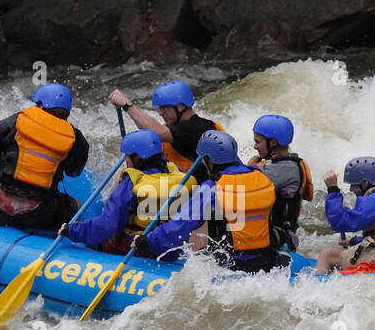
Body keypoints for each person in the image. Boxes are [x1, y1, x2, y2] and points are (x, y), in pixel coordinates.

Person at [135, 130, 286, 273]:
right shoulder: (261, 176)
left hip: (231, 266)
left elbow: (179, 227)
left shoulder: (212, 188)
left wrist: (147, 242)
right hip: (266, 260)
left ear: (207, 159)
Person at [0, 82, 89, 231]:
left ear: (40, 106)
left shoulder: (16, 121)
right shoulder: (75, 137)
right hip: (40, 215)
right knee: (77, 206)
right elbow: (74, 172)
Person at [62, 129, 195, 255]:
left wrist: (73, 231)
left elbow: (109, 224)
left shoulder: (131, 182)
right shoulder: (179, 173)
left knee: (103, 239)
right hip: (172, 250)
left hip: (139, 248)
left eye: (127, 156)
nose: (126, 160)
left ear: (137, 157)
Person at [108, 80, 222, 173]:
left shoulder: (198, 128)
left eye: (164, 108)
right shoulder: (177, 129)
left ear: (181, 106)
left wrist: (127, 105)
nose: (160, 113)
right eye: (159, 109)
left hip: (202, 192)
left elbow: (156, 132)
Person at [248, 114, 313, 251]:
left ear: (272, 143)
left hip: (281, 238)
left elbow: (246, 182)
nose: (255, 147)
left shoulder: (287, 169)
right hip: (272, 231)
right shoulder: (277, 164)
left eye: (258, 142)